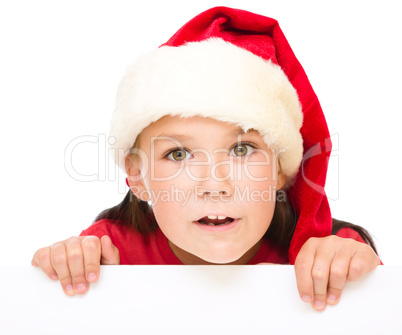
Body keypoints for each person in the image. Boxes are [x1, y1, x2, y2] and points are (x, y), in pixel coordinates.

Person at [31, 7, 380, 311]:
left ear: (279, 170)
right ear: (137, 176)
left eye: (242, 149)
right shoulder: (111, 252)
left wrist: (351, 268)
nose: (215, 184)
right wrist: (68, 264)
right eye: (178, 154)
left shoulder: (325, 253)